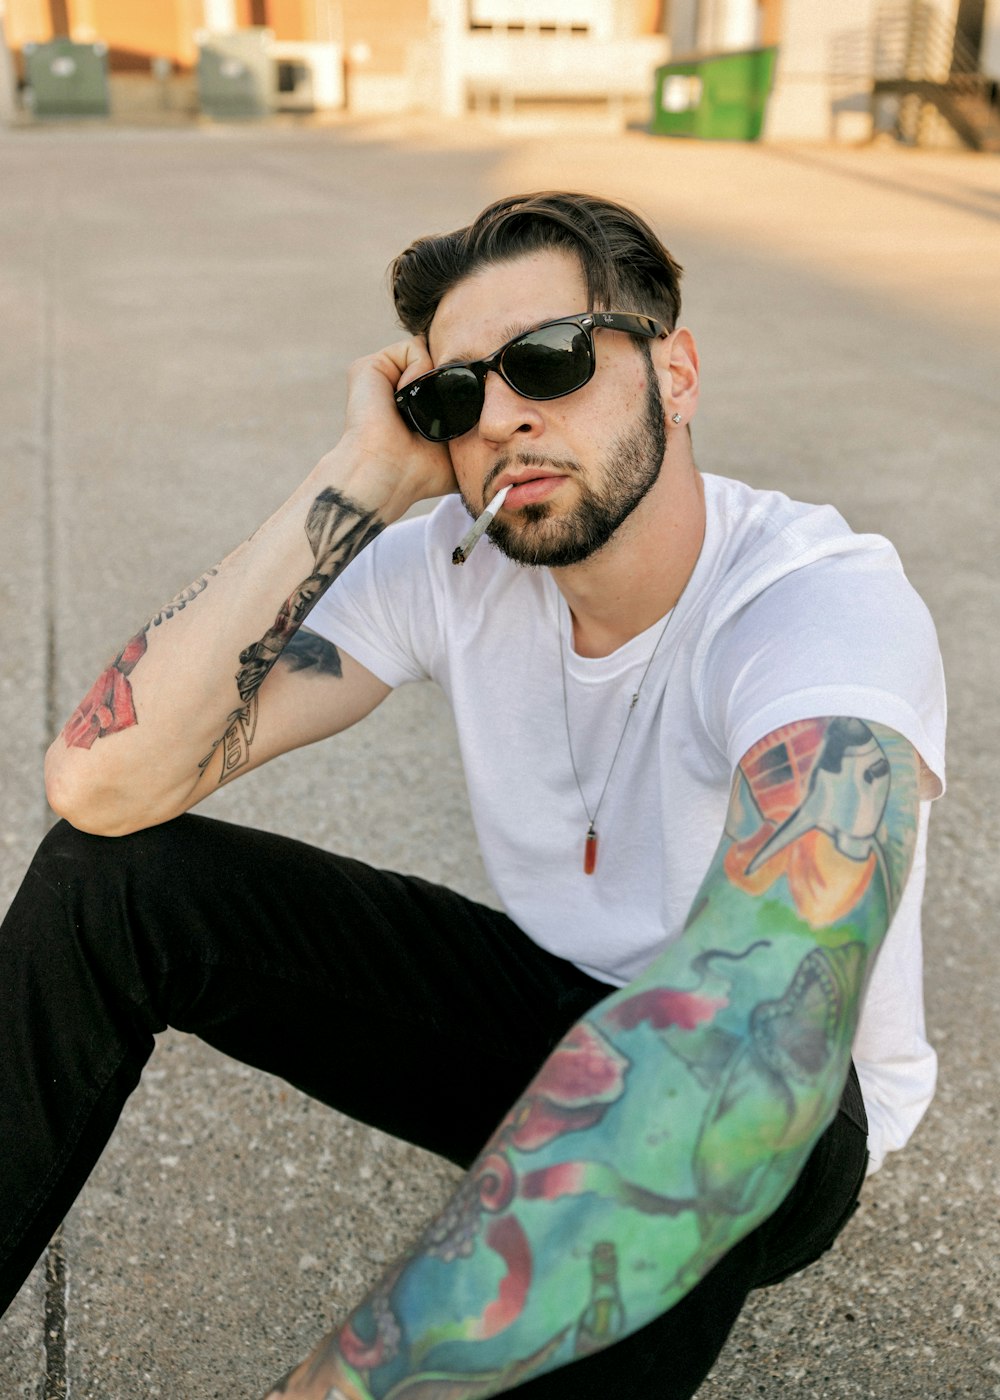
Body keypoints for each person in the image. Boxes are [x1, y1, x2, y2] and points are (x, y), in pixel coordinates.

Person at [0, 192, 945, 1400]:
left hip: (780, 1095)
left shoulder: (819, 602)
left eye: (548, 359)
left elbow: (759, 1026)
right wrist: (360, 474)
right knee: (110, 882)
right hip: (545, 1020)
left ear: (678, 370)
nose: (501, 415)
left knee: (676, 1104)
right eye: (452, 398)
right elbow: (102, 777)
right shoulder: (453, 566)